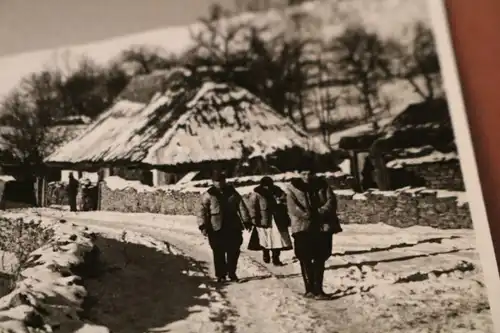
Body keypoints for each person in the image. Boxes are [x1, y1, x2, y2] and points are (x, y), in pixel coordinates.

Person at [285, 167, 342, 300]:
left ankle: (319, 290)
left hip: (322, 226)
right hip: (302, 227)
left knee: (320, 257)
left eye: (310, 173)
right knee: (304, 257)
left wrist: (321, 212)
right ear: (298, 174)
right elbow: (292, 207)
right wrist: (307, 215)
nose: (307, 176)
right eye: (304, 173)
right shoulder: (292, 188)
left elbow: (331, 201)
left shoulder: (323, 185)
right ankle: (309, 290)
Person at [197, 171, 252, 283]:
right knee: (218, 252)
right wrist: (202, 225)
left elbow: (241, 207)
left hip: (233, 226)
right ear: (213, 182)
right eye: (217, 181)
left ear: (225, 181)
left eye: (221, 181)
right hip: (216, 227)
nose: (219, 183)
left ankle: (232, 273)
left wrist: (246, 221)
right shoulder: (208, 194)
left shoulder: (232, 193)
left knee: (234, 251)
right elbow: (201, 210)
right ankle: (221, 275)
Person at [247, 176, 292, 266]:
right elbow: (252, 207)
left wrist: (281, 202)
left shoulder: (278, 191)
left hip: (277, 219)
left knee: (278, 239)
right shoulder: (257, 194)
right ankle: (266, 253)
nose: (267, 187)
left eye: (269, 185)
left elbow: (287, 200)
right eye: (265, 186)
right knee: (265, 239)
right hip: (263, 220)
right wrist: (253, 218)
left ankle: (276, 258)